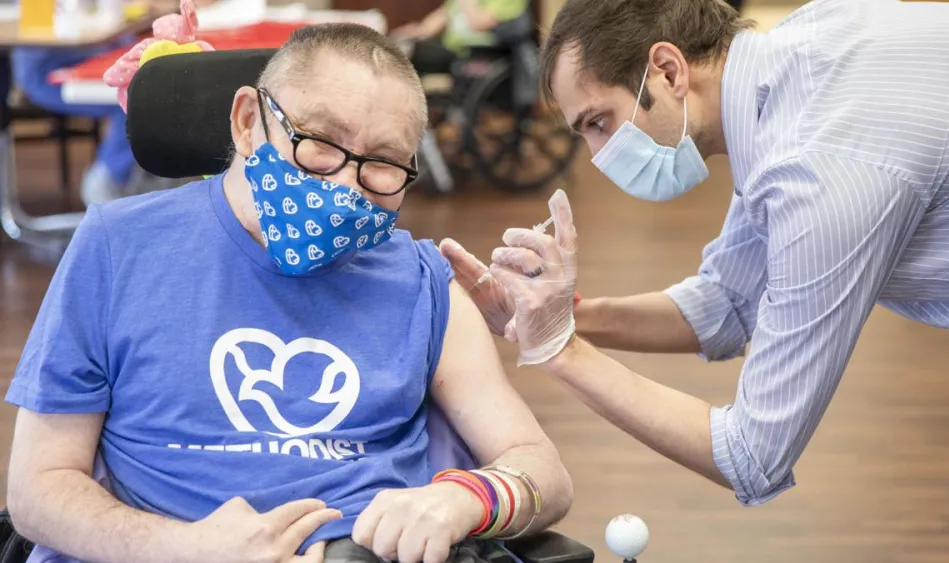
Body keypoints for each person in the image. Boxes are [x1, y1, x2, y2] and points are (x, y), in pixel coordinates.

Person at [5, 22, 572, 563]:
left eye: (384, 163)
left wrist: (466, 499)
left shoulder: (423, 281)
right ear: (250, 122)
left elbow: (541, 470)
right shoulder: (117, 247)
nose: (346, 184)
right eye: (321, 142)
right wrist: (186, 549)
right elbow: (39, 488)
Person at [440, 0, 949, 508]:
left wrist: (558, 349)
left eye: (600, 122)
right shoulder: (794, 61)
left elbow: (752, 456)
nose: (596, 155)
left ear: (667, 70)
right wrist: (559, 316)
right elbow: (726, 303)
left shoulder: (817, 169)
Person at [10, 0, 197, 204]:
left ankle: (139, 179)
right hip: (50, 66)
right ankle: (110, 182)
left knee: (161, 86)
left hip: (105, 48)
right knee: (135, 99)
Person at [390, 0, 528, 76]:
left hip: (483, 55)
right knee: (402, 47)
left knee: (410, 54)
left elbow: (480, 22)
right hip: (453, 51)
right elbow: (437, 20)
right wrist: (414, 31)